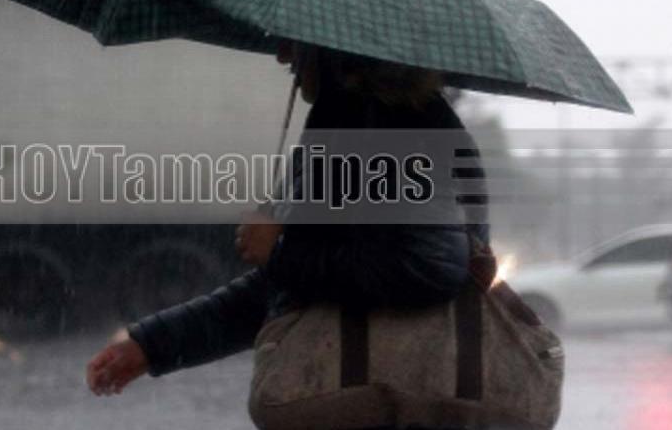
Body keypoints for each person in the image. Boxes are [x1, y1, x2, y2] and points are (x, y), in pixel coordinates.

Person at [85, 40, 489, 399]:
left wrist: (278, 252)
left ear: (334, 46)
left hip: (385, 404)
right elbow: (293, 288)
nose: (282, 56)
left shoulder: (386, 124)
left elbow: (427, 267)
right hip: (376, 399)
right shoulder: (351, 120)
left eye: (293, 43)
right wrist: (152, 345)